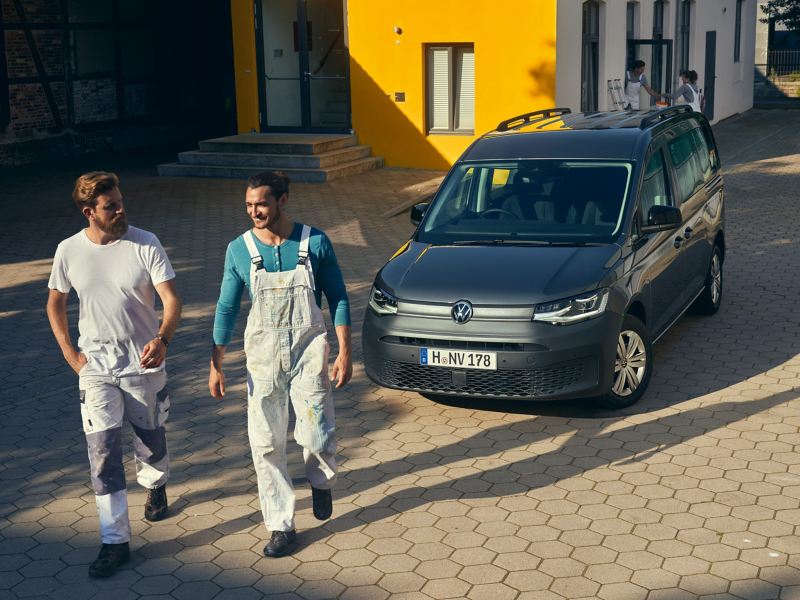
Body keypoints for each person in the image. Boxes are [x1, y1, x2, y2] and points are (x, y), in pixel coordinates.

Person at [208, 170, 351, 558]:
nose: (255, 212)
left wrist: (344, 351)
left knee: (317, 433)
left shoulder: (315, 242)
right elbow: (225, 307)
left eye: (262, 204)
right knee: (266, 443)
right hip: (263, 358)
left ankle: (321, 481)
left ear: (283, 201)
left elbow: (338, 297)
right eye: (249, 205)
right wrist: (216, 363)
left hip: (309, 350)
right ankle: (280, 525)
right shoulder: (238, 250)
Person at [46, 172, 182, 578]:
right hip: (96, 368)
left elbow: (171, 300)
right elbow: (55, 303)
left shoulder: (145, 242)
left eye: (121, 201)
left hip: (143, 361)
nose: (121, 209)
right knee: (102, 453)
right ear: (90, 212)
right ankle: (115, 541)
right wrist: (70, 353)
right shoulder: (68, 250)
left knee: (150, 439)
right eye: (111, 206)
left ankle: (155, 484)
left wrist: (163, 339)